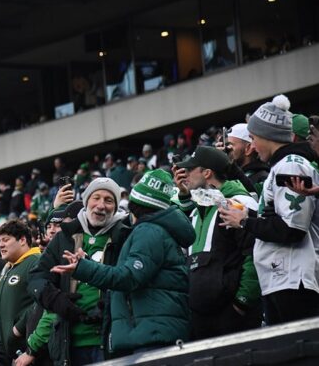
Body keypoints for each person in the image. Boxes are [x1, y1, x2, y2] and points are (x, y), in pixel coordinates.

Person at [54, 169, 194, 355]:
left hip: (153, 336)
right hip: (152, 332)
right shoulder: (153, 230)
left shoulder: (149, 232)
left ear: (137, 204)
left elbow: (128, 276)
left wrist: (83, 268)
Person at [220, 95, 319, 324]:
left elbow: (292, 229)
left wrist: (245, 222)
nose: (252, 146)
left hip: (294, 279)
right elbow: (280, 221)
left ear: (268, 137)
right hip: (283, 277)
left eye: (253, 138)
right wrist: (247, 216)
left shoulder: (291, 164)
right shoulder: (281, 165)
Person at [28, 178, 130, 365]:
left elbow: (130, 278)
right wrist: (56, 300)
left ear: (116, 207)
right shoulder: (64, 238)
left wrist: (110, 304)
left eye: (109, 200)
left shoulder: (125, 235)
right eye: (96, 198)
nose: (101, 205)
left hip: (111, 341)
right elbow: (37, 278)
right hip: (70, 344)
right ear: (86, 201)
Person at [174, 146, 262, 339]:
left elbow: (255, 254)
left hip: (233, 317)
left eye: (190, 170)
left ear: (207, 173)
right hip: (201, 319)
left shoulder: (238, 203)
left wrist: (241, 303)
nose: (184, 175)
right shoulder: (196, 211)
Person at [0, 220, 42, 364]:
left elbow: (41, 303)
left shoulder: (35, 261)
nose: (0, 245)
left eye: (6, 240)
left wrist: (17, 329)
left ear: (22, 240)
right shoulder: (6, 268)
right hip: (8, 353)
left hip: (29, 350)